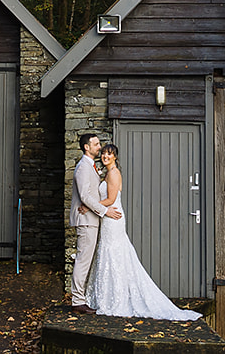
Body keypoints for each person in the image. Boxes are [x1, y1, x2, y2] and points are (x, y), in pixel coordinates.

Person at [86, 143, 202, 321]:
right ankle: (107, 295)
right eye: (103, 154)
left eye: (109, 154)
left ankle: (117, 298)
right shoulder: (108, 173)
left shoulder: (114, 173)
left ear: (115, 157)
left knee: (114, 254)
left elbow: (110, 199)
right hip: (108, 217)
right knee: (110, 253)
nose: (105, 156)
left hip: (113, 218)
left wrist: (89, 206)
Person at [68, 131, 119, 312]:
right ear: (86, 147)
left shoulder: (92, 166)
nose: (99, 147)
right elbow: (84, 195)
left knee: (86, 259)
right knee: (83, 260)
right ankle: (77, 302)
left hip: (91, 218)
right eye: (96, 144)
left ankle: (80, 298)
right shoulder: (83, 167)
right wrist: (104, 210)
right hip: (86, 220)